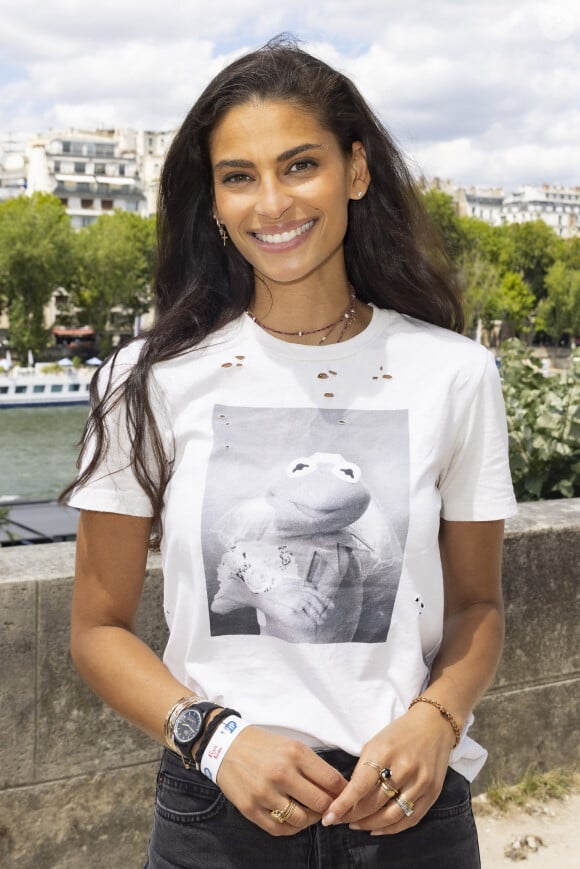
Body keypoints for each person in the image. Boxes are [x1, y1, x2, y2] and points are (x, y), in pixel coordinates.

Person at [66, 37, 517, 869]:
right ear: (212, 199)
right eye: (239, 175)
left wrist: (437, 719)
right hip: (214, 814)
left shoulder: (455, 373)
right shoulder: (146, 380)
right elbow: (97, 627)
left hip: (410, 813)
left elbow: (477, 607)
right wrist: (217, 740)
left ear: (356, 170)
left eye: (298, 165)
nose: (271, 202)